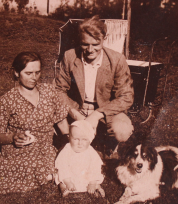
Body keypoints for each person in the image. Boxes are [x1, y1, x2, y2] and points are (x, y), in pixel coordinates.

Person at [0, 52, 69, 194]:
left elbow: (61, 120)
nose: (34, 78)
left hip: (45, 147)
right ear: (16, 73)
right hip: (19, 150)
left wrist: (68, 143)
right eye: (28, 73)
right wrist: (13, 137)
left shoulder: (49, 92)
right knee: (30, 166)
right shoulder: (7, 100)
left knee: (60, 161)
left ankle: (48, 174)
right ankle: (49, 175)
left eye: (37, 72)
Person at [55, 15, 134, 156]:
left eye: (96, 44)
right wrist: (75, 114)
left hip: (105, 110)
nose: (90, 50)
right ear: (80, 41)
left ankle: (109, 148)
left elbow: (126, 96)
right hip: (77, 109)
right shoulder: (70, 56)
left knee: (122, 130)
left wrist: (97, 114)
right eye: (85, 44)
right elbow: (58, 89)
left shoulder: (117, 60)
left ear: (105, 38)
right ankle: (68, 145)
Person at [55, 120, 105, 197]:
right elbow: (62, 166)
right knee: (62, 182)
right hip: (70, 177)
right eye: (76, 139)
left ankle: (96, 187)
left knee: (95, 181)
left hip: (86, 177)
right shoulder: (66, 150)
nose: (80, 143)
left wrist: (92, 182)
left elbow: (95, 167)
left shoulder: (91, 152)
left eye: (84, 139)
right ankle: (65, 189)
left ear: (90, 140)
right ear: (69, 138)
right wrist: (68, 181)